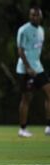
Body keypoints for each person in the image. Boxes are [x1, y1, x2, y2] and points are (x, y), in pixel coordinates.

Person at [16, 7, 50, 137]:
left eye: (37, 15)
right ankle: (22, 129)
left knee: (49, 93)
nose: (35, 17)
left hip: (38, 68)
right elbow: (20, 51)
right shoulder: (23, 30)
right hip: (25, 69)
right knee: (26, 98)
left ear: (40, 16)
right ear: (29, 16)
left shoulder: (41, 30)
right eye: (32, 15)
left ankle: (48, 127)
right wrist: (28, 68)